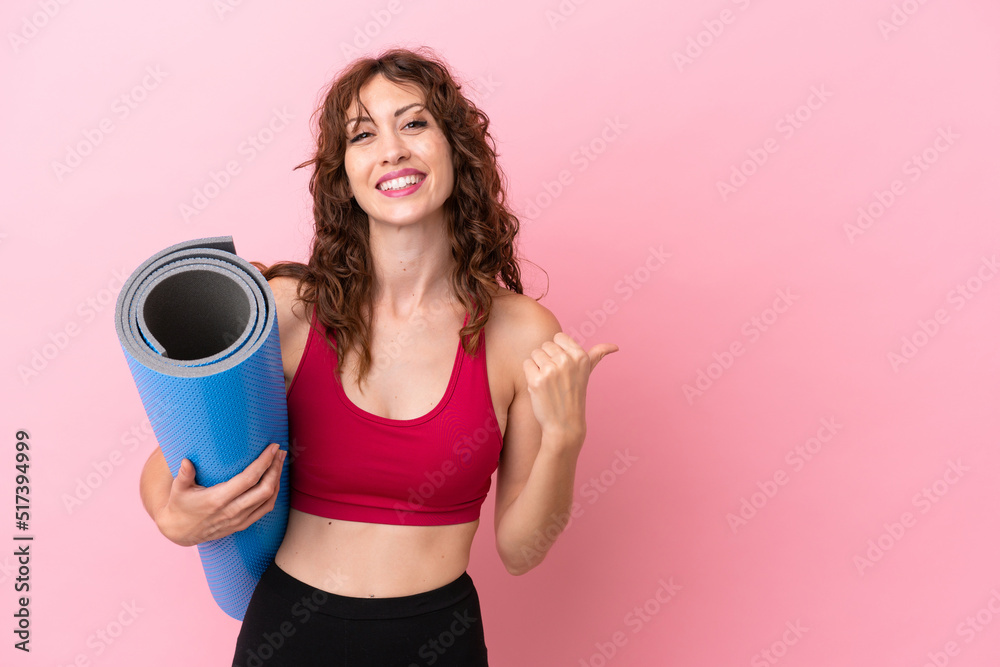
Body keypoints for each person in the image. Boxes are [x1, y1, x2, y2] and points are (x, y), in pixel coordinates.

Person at [138, 46, 618, 666]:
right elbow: (173, 458)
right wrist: (172, 515)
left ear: (456, 148)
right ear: (344, 172)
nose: (392, 149)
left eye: (414, 123)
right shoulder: (288, 309)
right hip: (289, 635)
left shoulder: (518, 333)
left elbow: (522, 551)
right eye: (363, 135)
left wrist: (565, 436)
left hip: (436, 638)